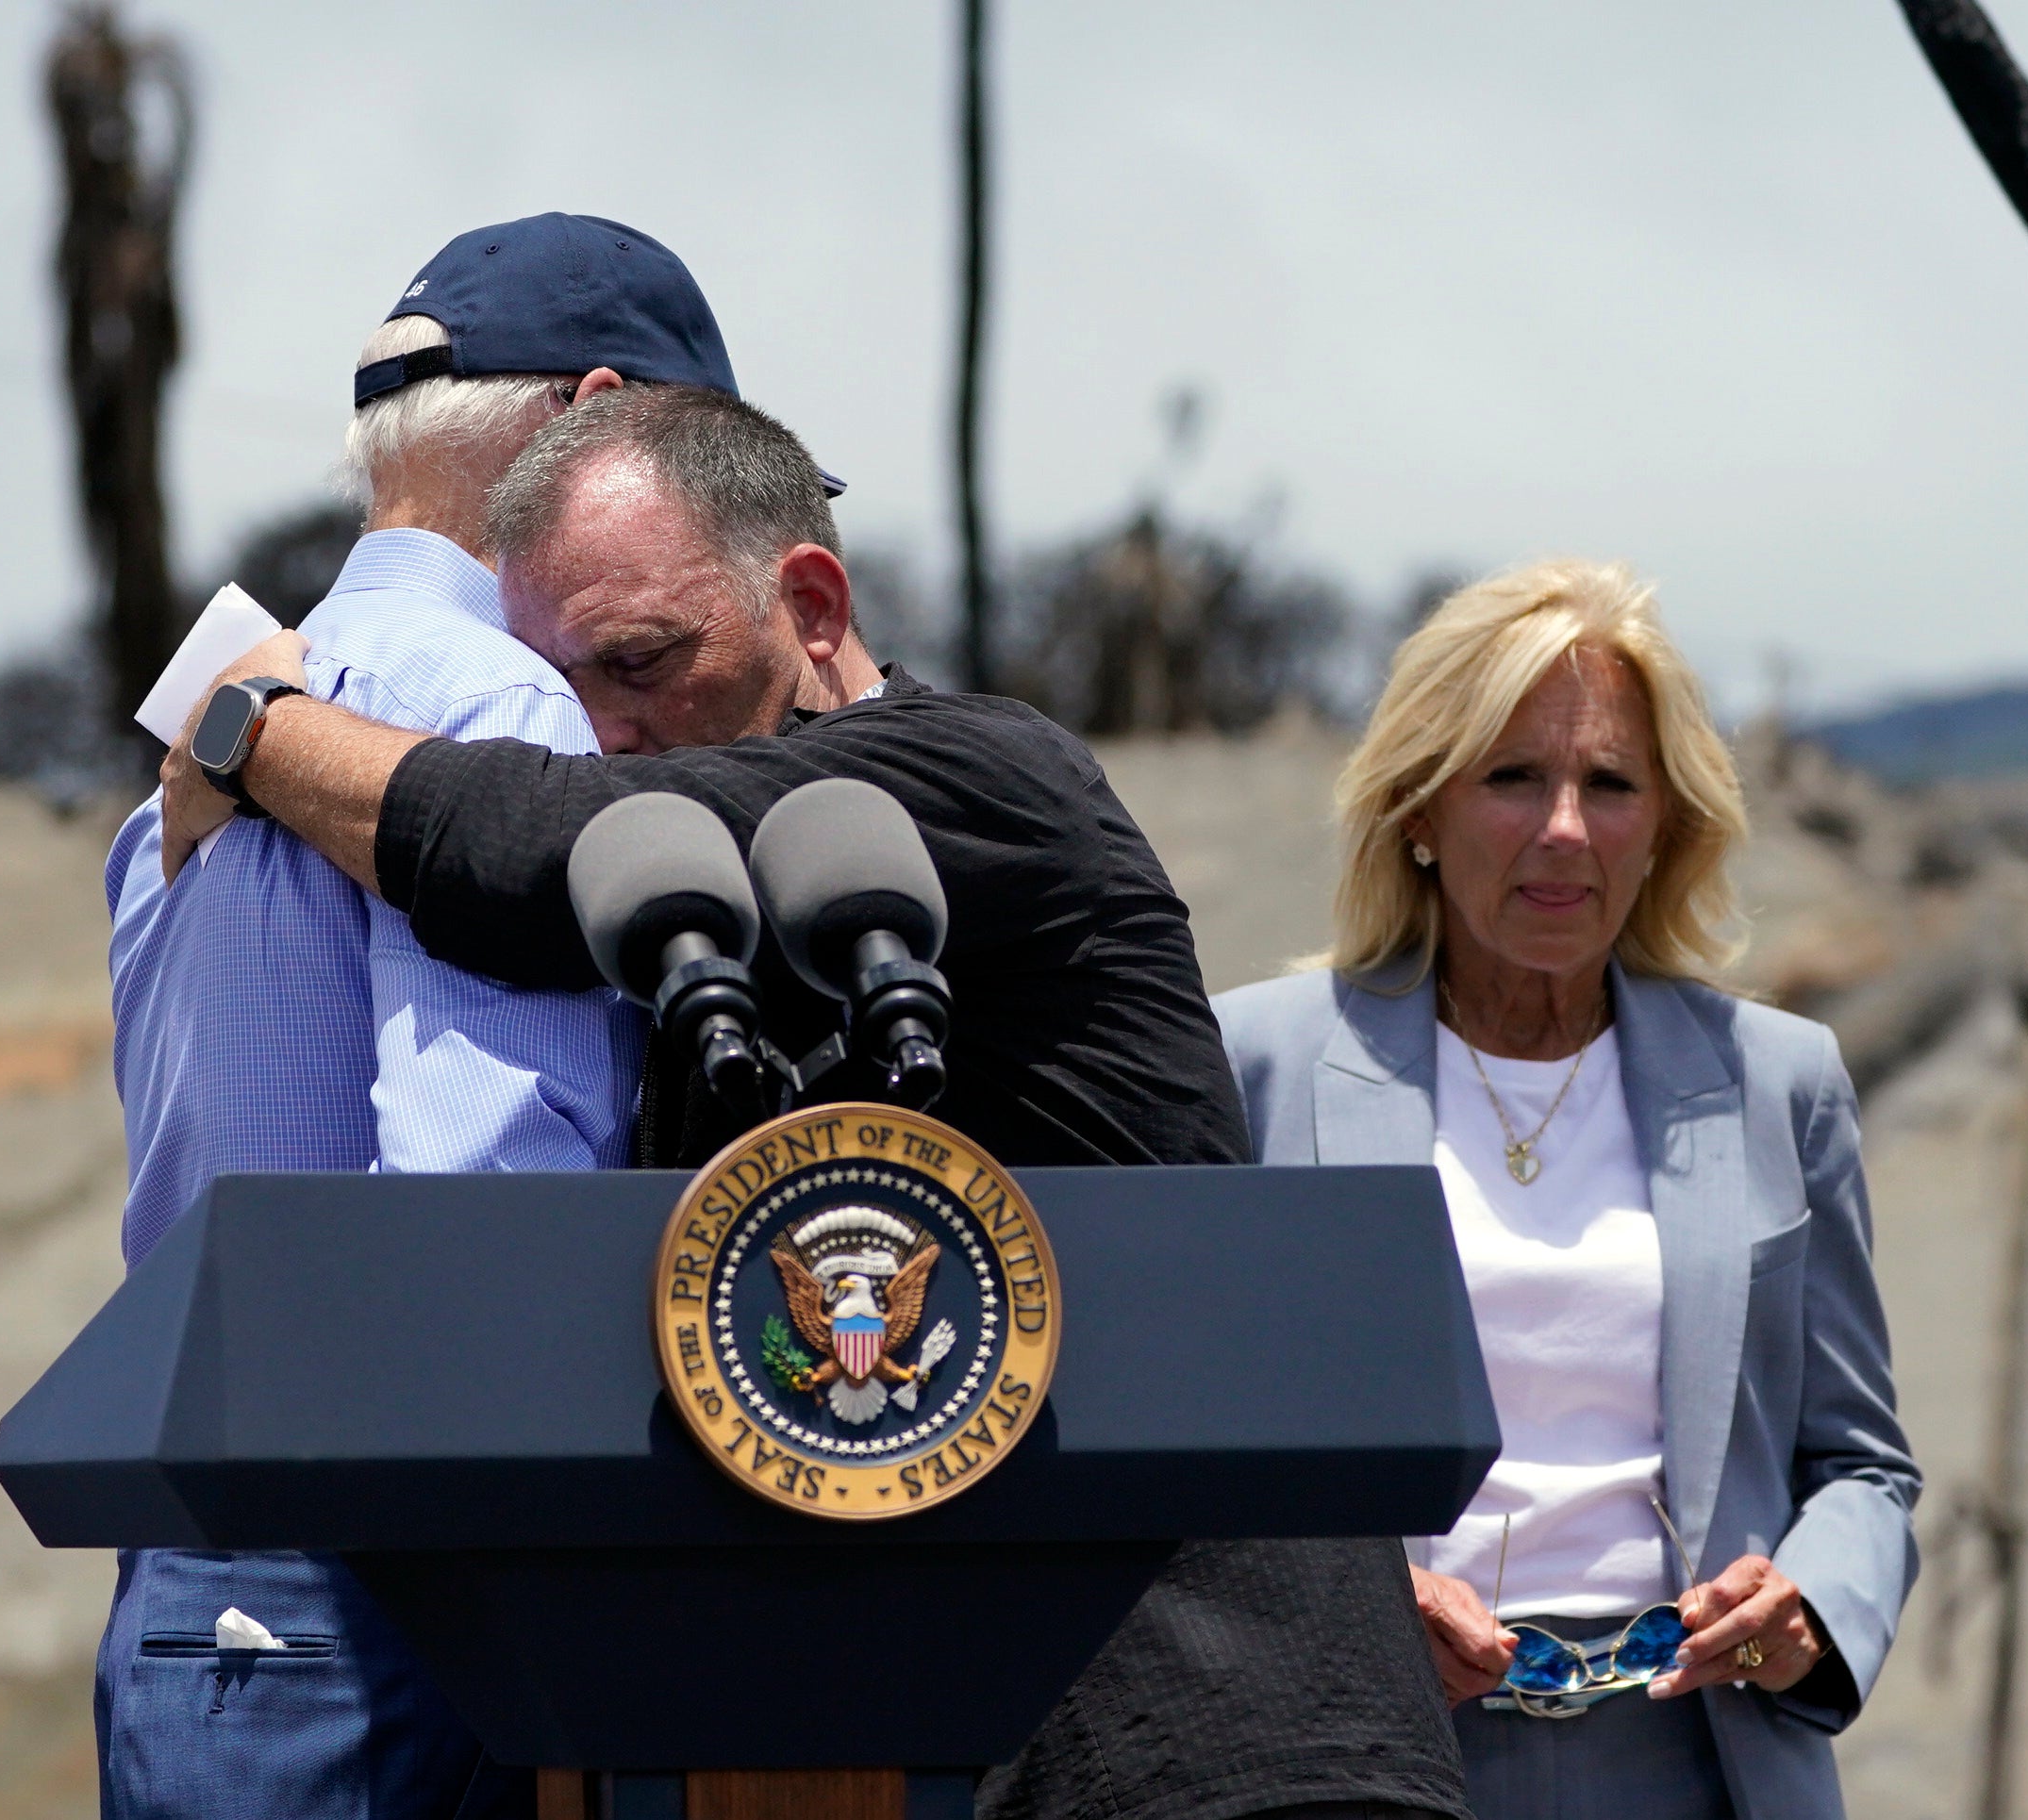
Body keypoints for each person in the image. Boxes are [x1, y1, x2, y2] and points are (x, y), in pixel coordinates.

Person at [157, 383, 1474, 1820]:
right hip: (882, 1746)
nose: (603, 729)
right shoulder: (682, 945)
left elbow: (535, 848)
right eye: (560, 694)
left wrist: (250, 725)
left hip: (1206, 1741)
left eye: (644, 660)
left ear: (814, 603)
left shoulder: (980, 776)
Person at [95, 213, 737, 1820]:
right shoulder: (502, 707)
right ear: (589, 422)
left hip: (193, 1583)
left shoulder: (200, 745)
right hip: (393, 1593)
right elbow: (487, 1224)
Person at [1212, 560, 1920, 1820]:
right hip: (1363, 1751)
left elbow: (1861, 1464)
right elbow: (1196, 1459)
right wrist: (1357, 1601)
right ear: (1420, 807)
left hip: (1710, 1754)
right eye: (1512, 778)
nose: (1564, 830)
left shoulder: (1779, 1079)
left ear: (1666, 825)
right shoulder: (1253, 1063)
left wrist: (1807, 1607)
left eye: (1609, 784)